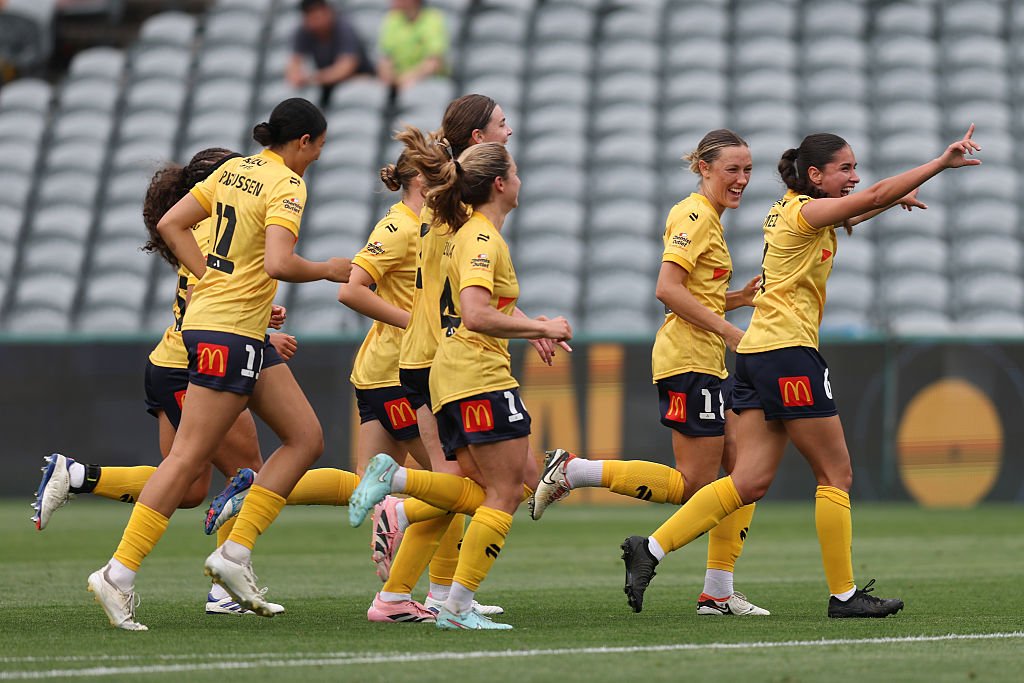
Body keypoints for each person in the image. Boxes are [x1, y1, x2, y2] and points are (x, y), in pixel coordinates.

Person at [619, 126, 981, 618]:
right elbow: (869, 196)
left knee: (746, 482)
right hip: (788, 355)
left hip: (755, 358)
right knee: (836, 473)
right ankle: (845, 596)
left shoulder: (791, 210)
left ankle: (651, 550)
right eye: (845, 168)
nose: (855, 176)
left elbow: (863, 204)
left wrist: (891, 200)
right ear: (815, 175)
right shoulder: (804, 211)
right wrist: (940, 162)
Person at [86, 97, 353, 631]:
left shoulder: (235, 170)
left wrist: (212, 278)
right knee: (187, 461)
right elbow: (279, 261)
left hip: (228, 328)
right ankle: (117, 573)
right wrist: (327, 269)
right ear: (302, 141)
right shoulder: (286, 184)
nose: (318, 158)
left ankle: (233, 557)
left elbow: (170, 224)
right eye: (318, 147)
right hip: (228, 334)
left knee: (305, 437)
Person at [32, 147, 295, 616]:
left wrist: (260, 321)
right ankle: (223, 589)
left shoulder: (198, 224)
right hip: (195, 362)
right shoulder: (218, 225)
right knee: (249, 470)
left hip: (169, 361)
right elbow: (206, 299)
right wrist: (266, 336)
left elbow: (208, 293)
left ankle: (76, 476)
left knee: (190, 487)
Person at [531, 130, 769, 617]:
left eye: (747, 170)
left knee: (743, 473)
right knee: (691, 484)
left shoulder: (710, 219)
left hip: (703, 360)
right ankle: (575, 470)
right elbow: (667, 288)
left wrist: (738, 299)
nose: (742, 179)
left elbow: (693, 293)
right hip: (689, 360)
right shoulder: (695, 215)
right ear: (704, 168)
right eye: (732, 170)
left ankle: (718, 593)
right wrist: (729, 329)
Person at [348, 135, 572, 631]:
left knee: (481, 487)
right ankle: (454, 604)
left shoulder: (452, 227)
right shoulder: (479, 236)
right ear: (499, 183)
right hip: (472, 370)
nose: (519, 178)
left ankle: (402, 499)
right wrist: (542, 327)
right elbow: (475, 312)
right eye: (514, 170)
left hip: (446, 370)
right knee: (509, 491)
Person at [287, 0, 374, 107]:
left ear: (328, 12)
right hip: (326, 85)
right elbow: (294, 63)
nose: (315, 23)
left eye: (317, 17)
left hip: (357, 79)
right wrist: (297, 77)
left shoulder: (344, 27)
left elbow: (346, 67)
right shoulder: (303, 30)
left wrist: (313, 78)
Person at [376, 0, 448, 92]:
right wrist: (389, 79)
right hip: (397, 79)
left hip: (427, 79)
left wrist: (408, 78)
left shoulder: (434, 19)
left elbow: (434, 62)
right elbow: (385, 57)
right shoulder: (392, 18)